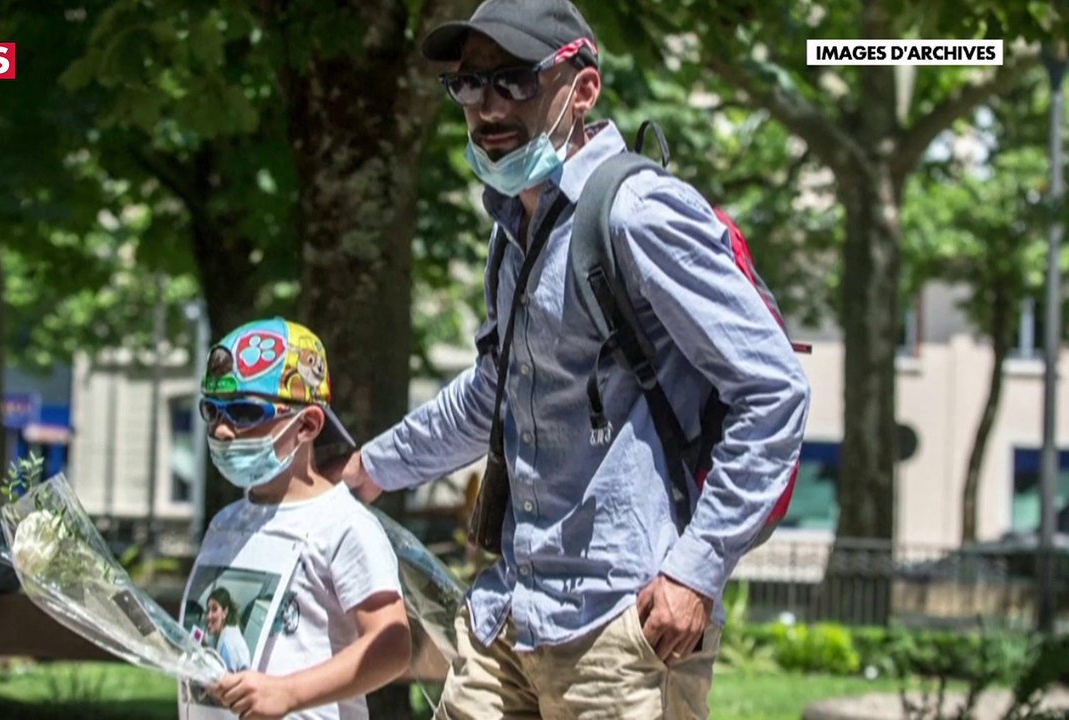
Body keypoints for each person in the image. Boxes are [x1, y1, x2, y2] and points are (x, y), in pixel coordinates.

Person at [335, 0, 811, 718]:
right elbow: (493, 395)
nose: (486, 105)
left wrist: (697, 568)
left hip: (622, 626)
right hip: (509, 614)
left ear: (582, 89)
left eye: (514, 80)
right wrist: (371, 468)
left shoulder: (637, 212)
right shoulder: (514, 229)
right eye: (467, 85)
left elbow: (774, 391)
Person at [180, 317, 412, 720]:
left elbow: (391, 647)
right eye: (212, 411)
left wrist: (288, 693)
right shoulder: (224, 524)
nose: (221, 431)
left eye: (243, 412)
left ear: (306, 424)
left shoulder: (342, 525)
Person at [205, 588, 251, 672]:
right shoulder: (225, 628)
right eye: (208, 610)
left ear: (225, 612)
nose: (208, 616)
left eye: (214, 609)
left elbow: (228, 680)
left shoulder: (228, 644)